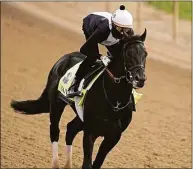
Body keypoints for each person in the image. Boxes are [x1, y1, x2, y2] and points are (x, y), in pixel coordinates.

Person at [67, 5, 134, 97]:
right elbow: (84, 49)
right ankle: (74, 84)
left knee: (120, 57)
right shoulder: (103, 30)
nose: (123, 33)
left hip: (108, 36)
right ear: (114, 25)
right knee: (91, 57)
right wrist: (100, 56)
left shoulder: (128, 32)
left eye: (126, 30)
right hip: (91, 26)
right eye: (120, 29)